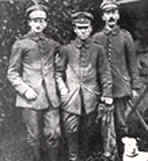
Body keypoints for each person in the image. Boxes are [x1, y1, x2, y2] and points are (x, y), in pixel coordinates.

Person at [55, 11, 113, 161]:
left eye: (86, 27)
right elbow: (58, 73)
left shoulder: (97, 49)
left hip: (90, 97)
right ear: (74, 29)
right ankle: (73, 157)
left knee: (88, 129)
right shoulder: (66, 49)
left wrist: (107, 94)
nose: (83, 31)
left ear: (91, 28)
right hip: (71, 99)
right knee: (71, 130)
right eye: (80, 28)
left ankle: (85, 156)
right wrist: (63, 89)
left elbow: (105, 73)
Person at [7, 4, 61, 161]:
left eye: (42, 20)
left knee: (54, 133)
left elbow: (61, 64)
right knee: (35, 137)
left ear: (46, 23)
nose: (38, 23)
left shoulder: (52, 44)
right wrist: (25, 90)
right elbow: (12, 73)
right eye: (35, 20)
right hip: (30, 98)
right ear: (29, 22)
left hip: (51, 96)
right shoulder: (21, 44)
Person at [93, 0, 141, 159]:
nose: (111, 16)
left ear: (118, 15)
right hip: (103, 89)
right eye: (108, 13)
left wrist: (135, 86)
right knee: (105, 124)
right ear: (103, 17)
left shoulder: (125, 36)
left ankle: (121, 155)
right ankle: (108, 155)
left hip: (121, 87)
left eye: (114, 12)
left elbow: (132, 63)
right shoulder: (96, 37)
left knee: (121, 124)